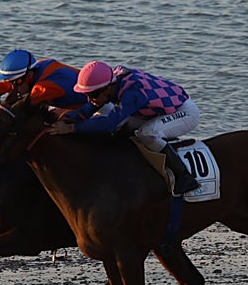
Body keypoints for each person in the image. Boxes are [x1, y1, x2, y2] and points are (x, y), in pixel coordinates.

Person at [51, 60, 201, 195]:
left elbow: (109, 124)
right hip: (152, 110)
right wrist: (71, 118)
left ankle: (184, 177)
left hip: (183, 112)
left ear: (108, 88)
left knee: (147, 133)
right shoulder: (111, 83)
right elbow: (92, 106)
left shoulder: (133, 92)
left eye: (94, 94)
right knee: (108, 117)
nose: (90, 99)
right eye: (87, 94)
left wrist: (72, 129)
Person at [0, 49, 86, 111]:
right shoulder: (28, 75)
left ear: (29, 75)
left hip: (91, 108)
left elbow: (18, 107)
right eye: (11, 82)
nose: (13, 87)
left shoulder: (45, 87)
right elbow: (4, 86)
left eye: (16, 82)